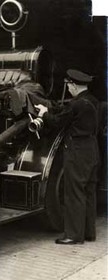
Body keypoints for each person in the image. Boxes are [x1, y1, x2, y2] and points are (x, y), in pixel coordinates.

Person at [35, 69, 100, 244]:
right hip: (92, 150)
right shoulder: (93, 101)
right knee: (88, 192)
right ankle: (88, 233)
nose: (68, 89)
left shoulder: (76, 105)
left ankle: (73, 235)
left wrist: (43, 113)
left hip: (77, 152)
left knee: (74, 193)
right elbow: (67, 111)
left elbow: (58, 122)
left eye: (69, 85)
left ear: (73, 85)